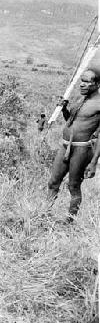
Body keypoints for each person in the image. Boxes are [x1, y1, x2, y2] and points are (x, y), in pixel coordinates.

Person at [47, 68, 100, 223]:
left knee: (73, 186)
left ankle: (69, 222)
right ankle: (43, 214)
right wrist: (64, 108)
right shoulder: (81, 98)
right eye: (81, 81)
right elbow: (71, 120)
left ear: (97, 84)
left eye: (87, 81)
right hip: (65, 146)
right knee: (52, 183)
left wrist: (93, 162)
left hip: (82, 149)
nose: (82, 85)